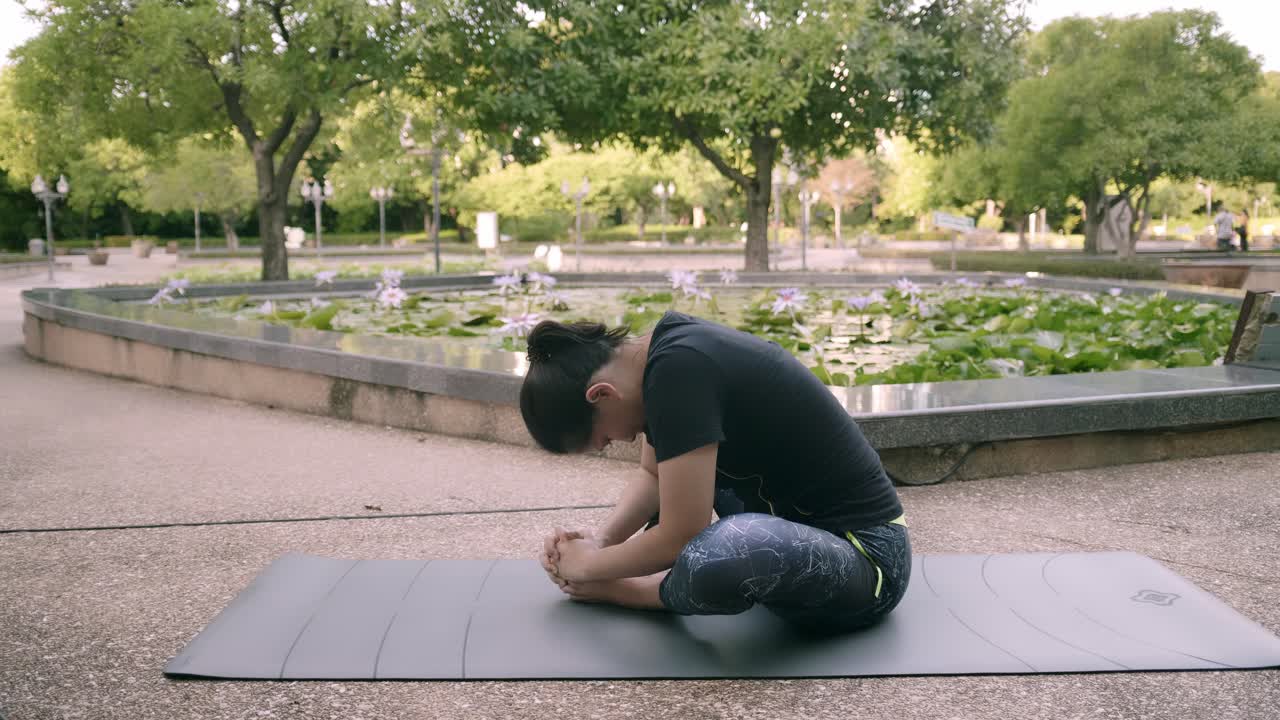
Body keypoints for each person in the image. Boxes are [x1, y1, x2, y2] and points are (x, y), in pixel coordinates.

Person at [520, 312, 911, 634]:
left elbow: (681, 534)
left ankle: (635, 592)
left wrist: (589, 568)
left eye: (603, 437)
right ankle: (637, 580)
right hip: (793, 545)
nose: (618, 440)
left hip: (869, 565)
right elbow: (655, 476)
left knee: (729, 546)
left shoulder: (677, 371)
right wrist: (602, 542)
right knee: (691, 512)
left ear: (601, 394)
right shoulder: (656, 359)